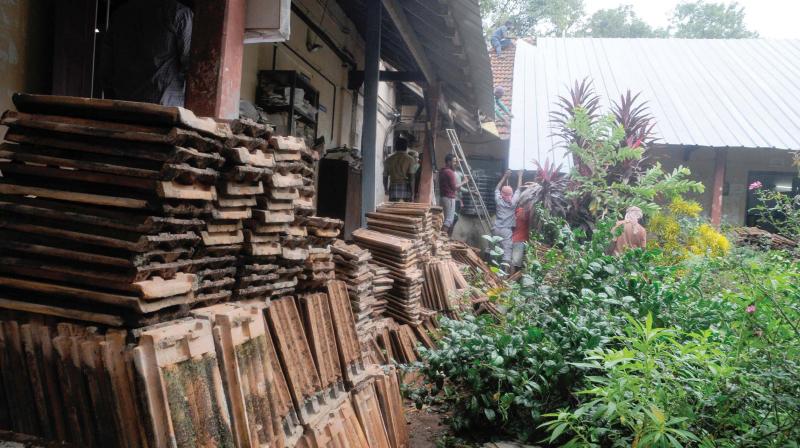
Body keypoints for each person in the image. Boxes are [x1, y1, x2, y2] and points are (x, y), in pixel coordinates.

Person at [101, 0, 193, 106]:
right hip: (165, 108)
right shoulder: (179, 13)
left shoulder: (120, 15)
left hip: (123, 106)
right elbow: (193, 69)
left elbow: (106, 70)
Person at [493, 169, 522, 268]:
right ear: (511, 194)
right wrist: (520, 175)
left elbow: (497, 189)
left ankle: (493, 273)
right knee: (506, 254)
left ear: (502, 194)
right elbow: (519, 189)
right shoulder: (513, 202)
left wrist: (505, 176)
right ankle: (504, 276)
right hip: (506, 230)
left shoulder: (498, 200)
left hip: (496, 229)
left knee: (495, 251)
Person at [383, 137, 417, 202]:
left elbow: (385, 176)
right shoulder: (411, 160)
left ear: (395, 147)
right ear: (406, 147)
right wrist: (412, 193)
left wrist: (386, 189)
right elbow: (412, 178)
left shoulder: (388, 160)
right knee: (405, 211)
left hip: (393, 188)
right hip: (406, 189)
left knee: (393, 211)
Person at [439, 154, 459, 234]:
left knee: (443, 219)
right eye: (454, 161)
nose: (455, 163)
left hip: (443, 197)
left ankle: (440, 237)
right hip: (449, 198)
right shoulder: (450, 172)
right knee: (449, 220)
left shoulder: (442, 170)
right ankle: (442, 238)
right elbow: (454, 187)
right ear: (448, 162)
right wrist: (464, 181)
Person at [450, 161, 470, 236]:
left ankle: (449, 235)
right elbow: (458, 188)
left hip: (457, 198)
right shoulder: (456, 174)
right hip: (455, 199)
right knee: (454, 218)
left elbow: (468, 170)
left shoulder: (459, 173)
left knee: (454, 218)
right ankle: (448, 235)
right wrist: (468, 190)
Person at [511, 204, 530, 274]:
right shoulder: (525, 213)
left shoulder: (518, 210)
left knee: (515, 262)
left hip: (515, 239)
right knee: (515, 263)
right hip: (520, 240)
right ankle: (511, 281)